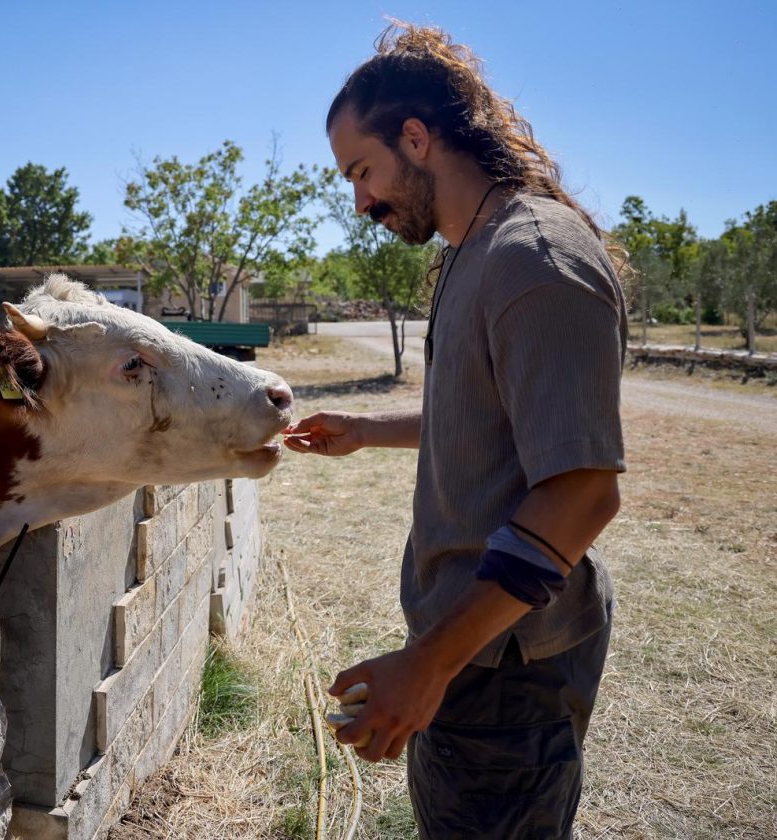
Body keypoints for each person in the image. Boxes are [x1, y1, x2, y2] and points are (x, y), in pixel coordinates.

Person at [284, 22, 628, 839]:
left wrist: (427, 665)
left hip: (504, 663)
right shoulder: (474, 248)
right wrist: (367, 429)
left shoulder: (533, 259)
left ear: (416, 136)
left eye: (361, 171)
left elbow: (582, 492)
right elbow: (488, 420)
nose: (359, 201)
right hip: (474, 643)